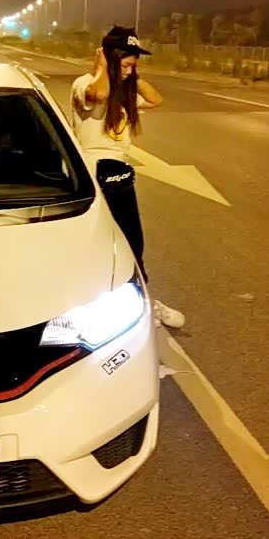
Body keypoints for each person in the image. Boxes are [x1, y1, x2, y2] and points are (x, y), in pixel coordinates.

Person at [71, 25, 185, 329]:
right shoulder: (86, 83)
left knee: (132, 244)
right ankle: (135, 307)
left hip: (117, 171)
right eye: (125, 64)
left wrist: (131, 75)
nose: (129, 70)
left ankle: (142, 301)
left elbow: (156, 99)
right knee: (114, 245)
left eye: (133, 65)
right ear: (109, 58)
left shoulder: (122, 91)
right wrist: (103, 66)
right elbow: (98, 94)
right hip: (96, 171)